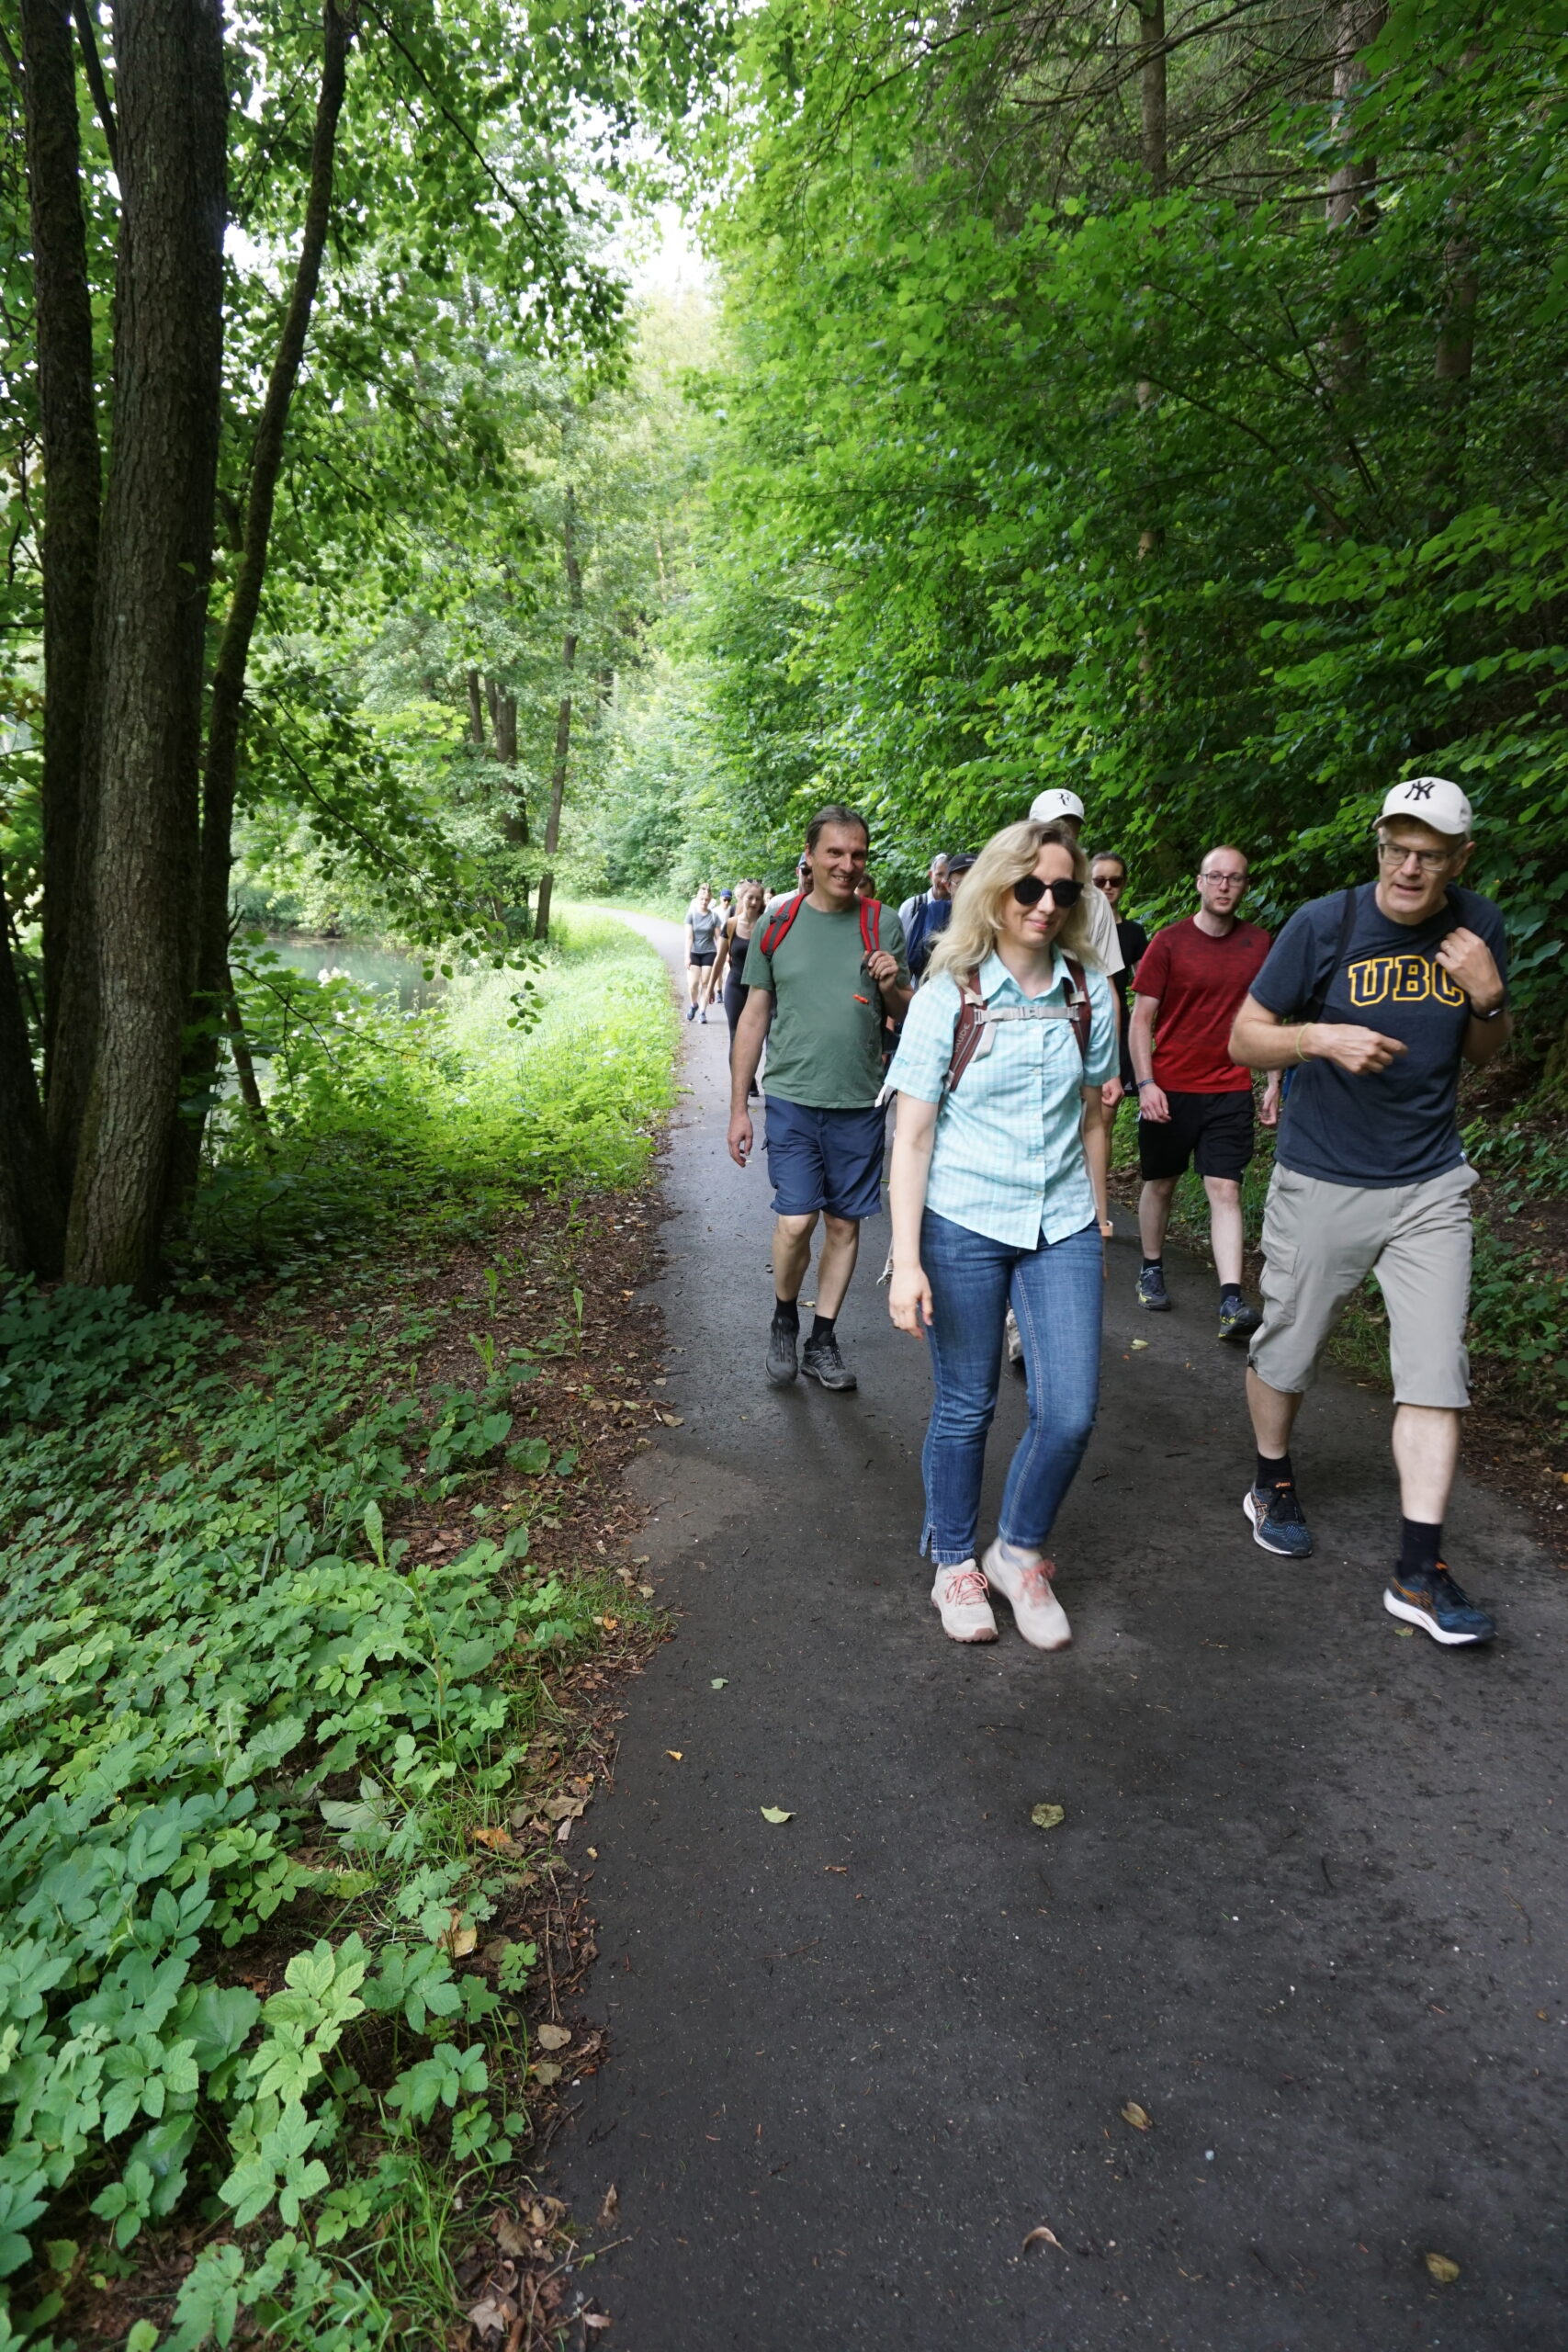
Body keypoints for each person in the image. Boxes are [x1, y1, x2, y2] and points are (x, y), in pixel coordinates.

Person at [1228, 776, 1511, 1646]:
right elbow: (1244, 1036)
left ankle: (1418, 1571)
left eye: (1428, 855)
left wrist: (1488, 993)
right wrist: (1317, 1037)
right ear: (1378, 845)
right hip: (1322, 1177)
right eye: (1396, 848)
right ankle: (1271, 1477)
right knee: (1288, 1346)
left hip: (1429, 1185)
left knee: (1434, 1372)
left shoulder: (1477, 927)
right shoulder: (1326, 924)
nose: (1409, 868)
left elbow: (1489, 1053)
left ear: (1459, 860)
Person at [886, 819, 1116, 1647]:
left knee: (1070, 1412)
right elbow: (911, 1136)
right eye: (1029, 887)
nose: (1046, 904)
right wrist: (905, 1260)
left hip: (1061, 1222)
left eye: (1063, 890)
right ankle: (955, 1563)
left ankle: (1016, 1552)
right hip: (962, 1221)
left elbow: (1093, 1113)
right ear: (994, 890)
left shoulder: (1089, 993)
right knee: (965, 1406)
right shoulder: (951, 994)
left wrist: (1096, 1209)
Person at [729, 807, 911, 1392]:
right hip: (791, 1097)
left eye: (857, 854)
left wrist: (891, 986)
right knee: (795, 1220)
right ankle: (785, 1317)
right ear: (808, 855)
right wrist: (739, 1107)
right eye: (835, 853)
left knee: (844, 1225)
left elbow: (907, 1019)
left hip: (860, 1100)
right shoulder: (776, 925)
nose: (848, 865)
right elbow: (753, 1018)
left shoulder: (882, 924)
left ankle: (822, 1339)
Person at [1129, 847, 1278, 1340]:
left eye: (1234, 878)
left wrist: (1274, 1080)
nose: (1224, 886)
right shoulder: (1169, 943)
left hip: (1230, 1087)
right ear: (1199, 882)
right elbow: (1141, 1020)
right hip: (1170, 1088)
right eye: (1215, 876)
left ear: (1244, 886)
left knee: (1226, 1189)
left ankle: (1232, 1300)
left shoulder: (1260, 945)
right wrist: (1146, 1083)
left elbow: (1270, 1019)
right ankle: (1152, 1267)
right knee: (1162, 1183)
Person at [1090, 851, 1147, 1134]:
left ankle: (1100, 1177)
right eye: (1100, 881)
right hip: (1078, 1021)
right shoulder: (1074, 929)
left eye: (1115, 880)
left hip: (1116, 1025)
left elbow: (1146, 984)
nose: (1108, 887)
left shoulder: (1134, 933)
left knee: (1105, 1117)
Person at [713, 880, 767, 1092]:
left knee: (757, 1036)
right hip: (735, 985)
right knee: (736, 1035)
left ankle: (751, 1074)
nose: (753, 902)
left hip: (759, 988)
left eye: (757, 898)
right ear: (741, 899)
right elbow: (719, 958)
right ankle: (741, 1085)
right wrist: (709, 990)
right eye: (750, 897)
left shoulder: (767, 924)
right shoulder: (731, 923)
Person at [905, 851, 976, 981]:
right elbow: (907, 965)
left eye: (974, 881)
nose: (969, 888)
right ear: (949, 886)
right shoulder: (928, 913)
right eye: (960, 883)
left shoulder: (997, 920)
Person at [684, 885, 722, 1023]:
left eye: (706, 899)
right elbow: (689, 938)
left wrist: (721, 954)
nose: (704, 902)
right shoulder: (691, 915)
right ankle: (694, 1004)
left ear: (710, 900)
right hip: (694, 952)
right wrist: (687, 956)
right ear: (697, 899)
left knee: (705, 983)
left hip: (709, 952)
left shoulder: (714, 916)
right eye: (702, 899)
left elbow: (718, 938)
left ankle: (702, 1012)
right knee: (693, 984)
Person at [899, 854, 951, 933]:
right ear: (930, 875)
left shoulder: (961, 907)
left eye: (949, 875)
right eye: (939, 874)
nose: (944, 880)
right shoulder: (911, 907)